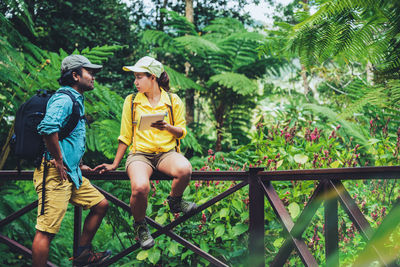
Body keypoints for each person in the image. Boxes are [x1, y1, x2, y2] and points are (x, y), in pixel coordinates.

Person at [94, 56, 197, 250]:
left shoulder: (172, 100)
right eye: (135, 77)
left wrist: (167, 126)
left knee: (185, 169)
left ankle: (175, 201)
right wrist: (115, 163)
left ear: (153, 78)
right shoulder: (131, 101)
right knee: (140, 187)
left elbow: (182, 131)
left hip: (166, 153)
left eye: (139, 77)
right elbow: (125, 135)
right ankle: (140, 226)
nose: (135, 82)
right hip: (140, 155)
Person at [32, 55, 111, 267]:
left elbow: (72, 136)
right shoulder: (64, 99)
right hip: (54, 173)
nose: (93, 77)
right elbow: (48, 128)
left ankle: (83, 253)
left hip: (71, 173)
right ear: (75, 75)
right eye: (89, 72)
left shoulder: (76, 99)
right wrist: (58, 159)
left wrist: (77, 162)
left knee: (100, 204)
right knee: (46, 232)